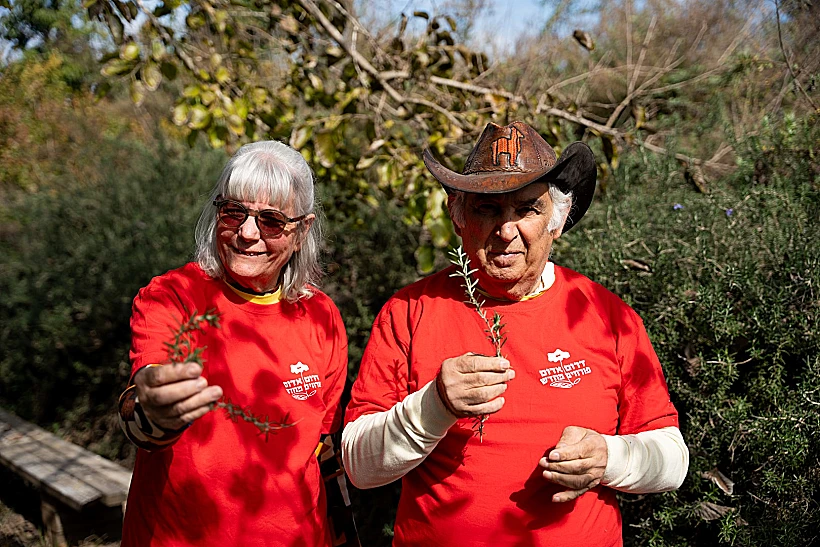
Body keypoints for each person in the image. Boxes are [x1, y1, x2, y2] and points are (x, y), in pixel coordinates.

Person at [342, 121, 689, 546]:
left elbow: (672, 459)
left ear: (557, 221)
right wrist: (436, 405)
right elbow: (358, 465)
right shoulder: (409, 311)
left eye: (527, 209)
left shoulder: (607, 315)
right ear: (458, 216)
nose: (507, 231)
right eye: (488, 208)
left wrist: (610, 457)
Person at [117, 141, 348, 546]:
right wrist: (152, 407)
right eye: (233, 212)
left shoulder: (322, 317)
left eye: (271, 221)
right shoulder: (172, 297)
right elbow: (145, 403)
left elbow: (321, 452)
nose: (246, 233)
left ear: (302, 231)